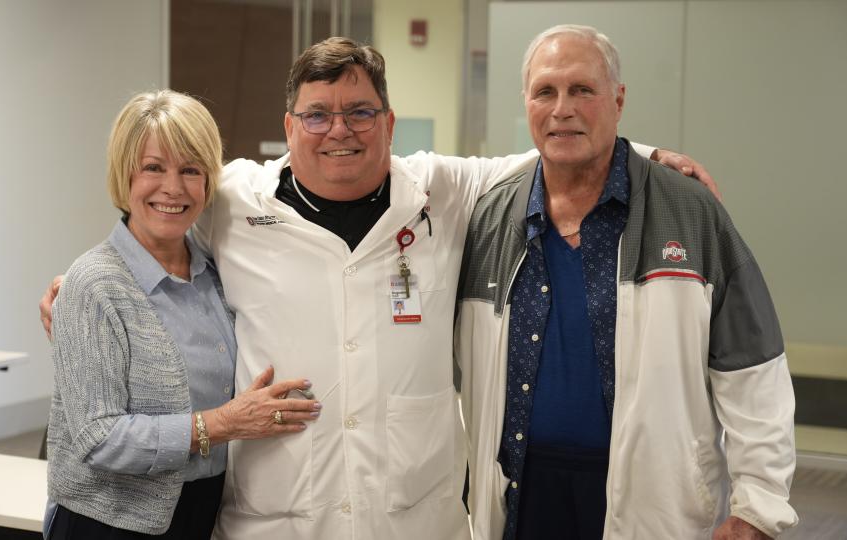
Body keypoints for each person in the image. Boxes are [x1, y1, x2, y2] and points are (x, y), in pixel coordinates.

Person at [41, 38, 716, 540]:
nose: (340, 130)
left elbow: (547, 151)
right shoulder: (233, 201)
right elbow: (160, 217)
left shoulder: (443, 190)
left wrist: (647, 156)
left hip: (413, 516)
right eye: (317, 115)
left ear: (389, 123)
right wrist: (86, 285)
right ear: (288, 129)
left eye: (360, 112)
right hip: (275, 520)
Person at [455, 25, 797, 540]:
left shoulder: (689, 212)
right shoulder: (489, 217)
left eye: (582, 90)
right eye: (545, 91)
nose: (562, 108)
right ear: (525, 102)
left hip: (654, 501)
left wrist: (759, 504)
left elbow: (754, 369)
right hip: (520, 496)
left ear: (618, 99)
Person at [44, 90, 319, 540]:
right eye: (154, 168)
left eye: (191, 170)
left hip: (201, 513)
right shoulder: (93, 284)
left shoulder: (215, 275)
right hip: (108, 523)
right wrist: (223, 424)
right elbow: (99, 438)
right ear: (125, 175)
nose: (173, 188)